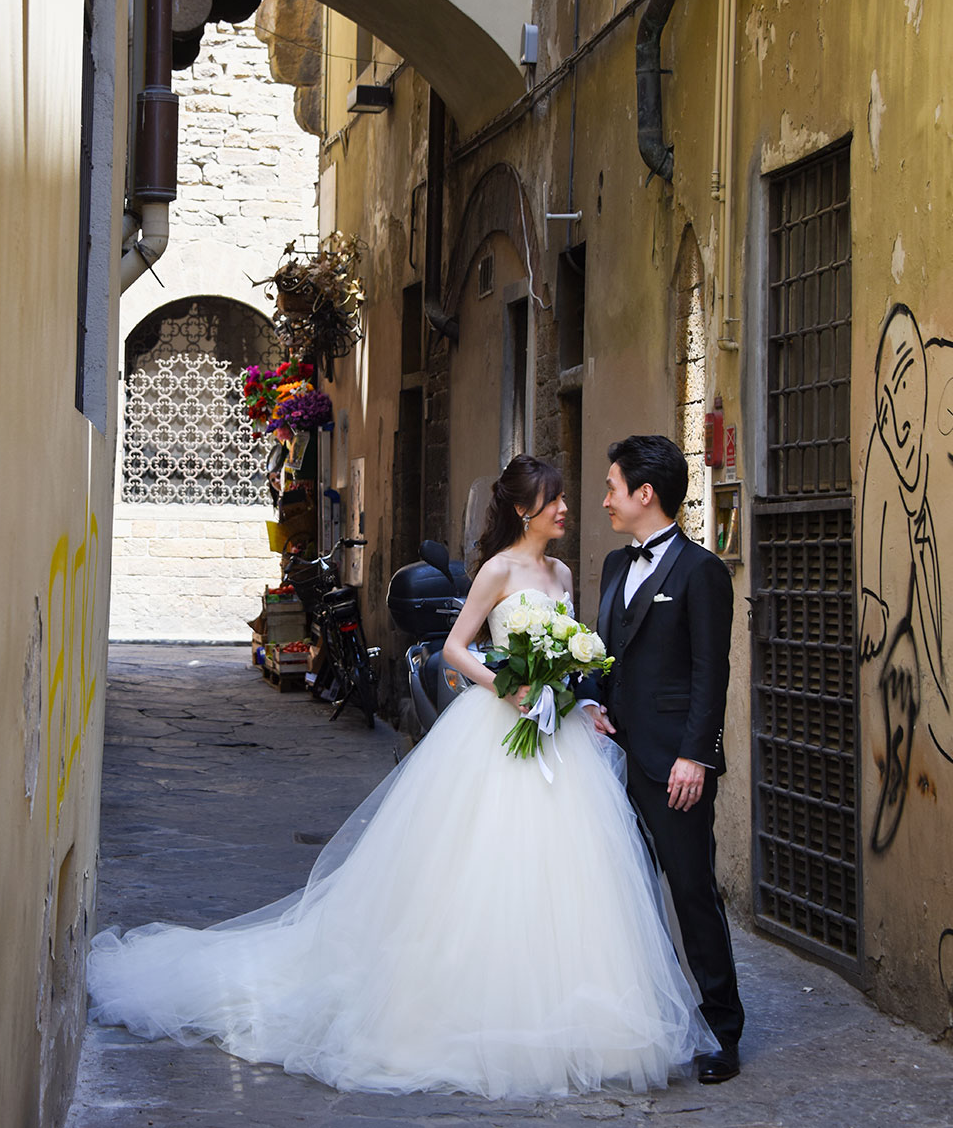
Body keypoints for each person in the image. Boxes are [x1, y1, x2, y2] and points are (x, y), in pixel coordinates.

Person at [87, 454, 714, 1099]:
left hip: (561, 738)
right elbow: (454, 647)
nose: (566, 509)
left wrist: (569, 690)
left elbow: (573, 645)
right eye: (555, 500)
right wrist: (510, 685)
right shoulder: (498, 570)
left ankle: (580, 1021)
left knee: (571, 877)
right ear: (527, 509)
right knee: (482, 869)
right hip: (501, 728)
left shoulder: (560, 571)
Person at [580, 435, 744, 1085]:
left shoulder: (701, 571)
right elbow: (607, 654)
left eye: (613, 488)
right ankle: (636, 1024)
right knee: (620, 896)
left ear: (645, 494)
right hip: (612, 757)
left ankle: (724, 1032)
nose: (606, 501)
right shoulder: (618, 566)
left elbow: (712, 675)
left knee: (692, 893)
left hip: (673, 766)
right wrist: (589, 704)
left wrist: (695, 758)